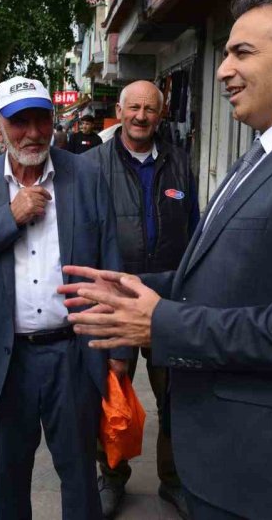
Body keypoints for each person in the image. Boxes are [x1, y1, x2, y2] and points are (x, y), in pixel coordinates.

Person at [61, 0, 272, 520]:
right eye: (226, 55)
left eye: (242, 53)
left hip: (264, 469)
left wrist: (162, 322)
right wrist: (148, 287)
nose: (222, 71)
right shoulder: (263, 153)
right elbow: (228, 275)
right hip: (223, 456)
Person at [0, 76, 130, 520]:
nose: (33, 132)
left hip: (73, 355)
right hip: (9, 361)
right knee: (10, 477)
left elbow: (111, 260)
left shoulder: (85, 175)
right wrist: (10, 216)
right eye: (19, 121)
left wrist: (119, 350)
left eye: (41, 119)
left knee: (79, 474)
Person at [82, 79, 199, 518]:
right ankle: (111, 476)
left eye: (150, 109)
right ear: (119, 109)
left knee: (176, 395)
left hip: (167, 300)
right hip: (113, 299)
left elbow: (195, 232)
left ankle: (174, 480)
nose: (141, 117)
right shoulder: (92, 166)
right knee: (113, 393)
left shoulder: (180, 165)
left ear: (161, 113)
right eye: (133, 108)